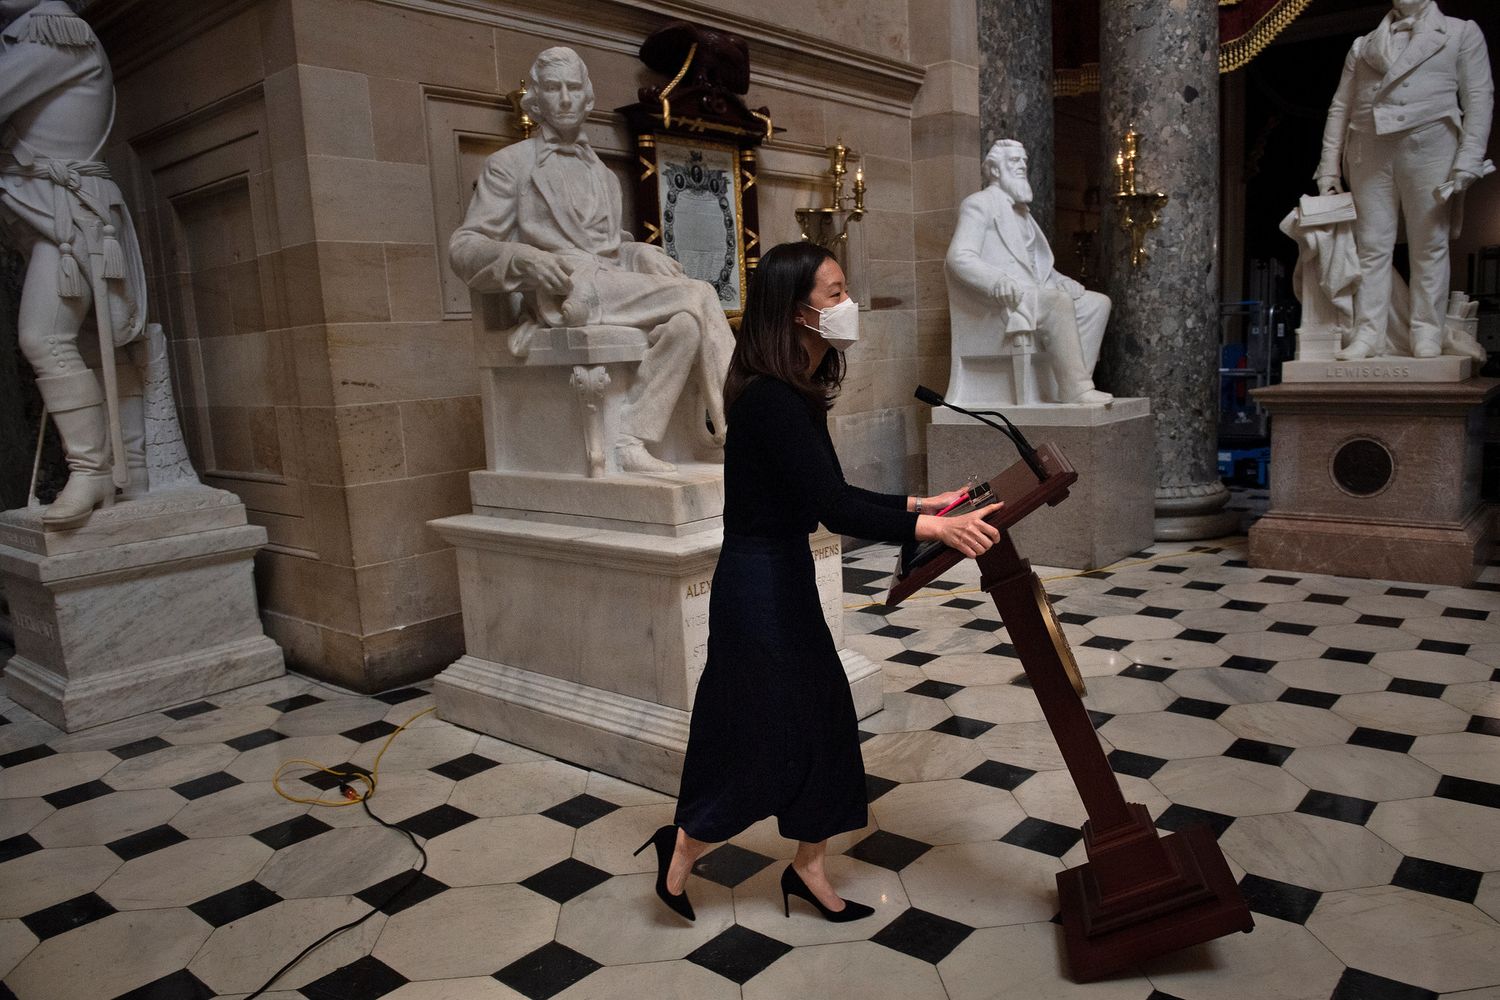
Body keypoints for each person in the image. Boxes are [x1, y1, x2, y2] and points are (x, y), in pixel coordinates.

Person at [633, 241, 1003, 923]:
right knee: (762, 728)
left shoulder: (796, 394)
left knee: (825, 722)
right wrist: (934, 532)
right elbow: (834, 508)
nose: (846, 305)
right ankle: (682, 847)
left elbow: (824, 491)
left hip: (783, 576)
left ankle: (807, 867)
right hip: (756, 587)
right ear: (795, 312)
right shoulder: (769, 400)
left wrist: (918, 506)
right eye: (833, 294)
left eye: (842, 290)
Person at [449, 46, 736, 475]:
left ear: (587, 97)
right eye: (552, 88)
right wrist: (522, 258)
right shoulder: (509, 166)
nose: (564, 98)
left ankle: (632, 437)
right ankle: (742, 430)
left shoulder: (602, 175)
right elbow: (465, 248)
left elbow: (609, 246)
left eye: (572, 88)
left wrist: (639, 251)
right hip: (563, 293)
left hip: (607, 284)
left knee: (685, 325)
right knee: (698, 293)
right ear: (537, 99)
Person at [1, 0, 152, 527]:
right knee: (84, 343)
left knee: (45, 338)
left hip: (73, 217)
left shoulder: (55, 35)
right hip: (52, 212)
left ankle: (90, 473)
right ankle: (120, 469)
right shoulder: (31, 38)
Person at [1315, 0, 1493, 360]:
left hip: (1431, 146)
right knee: (1371, 247)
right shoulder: (1364, 45)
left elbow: (1478, 97)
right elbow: (1340, 106)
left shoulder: (1460, 33)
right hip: (1369, 149)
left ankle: (1426, 331)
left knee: (1429, 243)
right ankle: (1368, 334)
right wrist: (1329, 168)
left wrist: (1469, 158)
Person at [945, 139, 1111, 406]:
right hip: (1005, 301)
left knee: (1097, 303)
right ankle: (1078, 389)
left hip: (1034, 295)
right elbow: (959, 257)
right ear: (996, 170)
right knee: (1057, 302)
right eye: (1014, 161)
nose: (1022, 165)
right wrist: (996, 280)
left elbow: (1037, 267)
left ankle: (1065, 385)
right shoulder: (979, 204)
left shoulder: (1024, 214)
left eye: (1024, 160)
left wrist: (1063, 281)